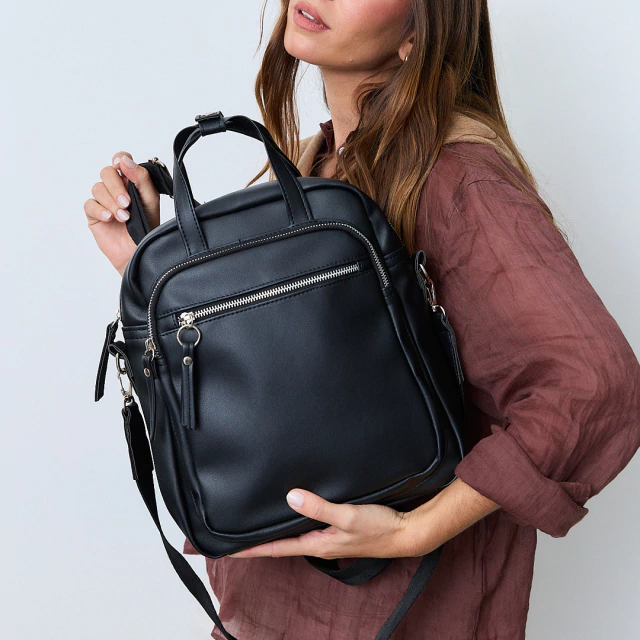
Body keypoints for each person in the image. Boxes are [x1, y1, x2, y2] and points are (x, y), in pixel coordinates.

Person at [84, 1, 640, 638]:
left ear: (420, 29)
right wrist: (150, 268)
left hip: (401, 615)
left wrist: (414, 530)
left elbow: (594, 384)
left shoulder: (458, 181)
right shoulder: (313, 164)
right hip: (274, 614)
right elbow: (277, 387)